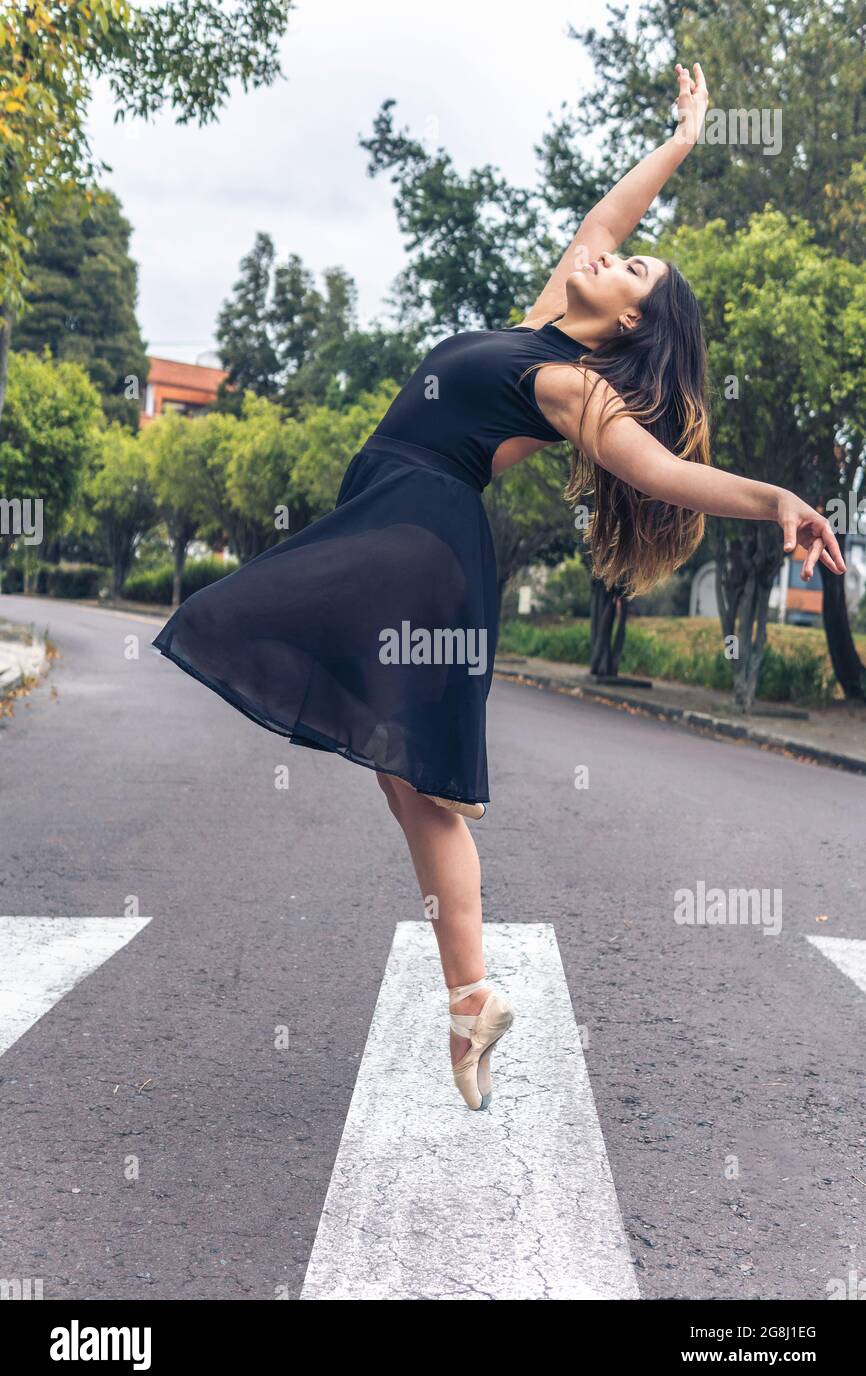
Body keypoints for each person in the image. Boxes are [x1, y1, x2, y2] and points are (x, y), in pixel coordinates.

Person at [152, 64, 845, 1112]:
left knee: (252, 635)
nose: (608, 255)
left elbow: (658, 473)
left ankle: (473, 991)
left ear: (625, 325)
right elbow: (600, 217)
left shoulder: (568, 384)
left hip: (417, 539)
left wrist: (774, 496)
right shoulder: (541, 332)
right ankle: (471, 997)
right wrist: (682, 141)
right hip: (398, 525)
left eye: (630, 270)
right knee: (407, 780)